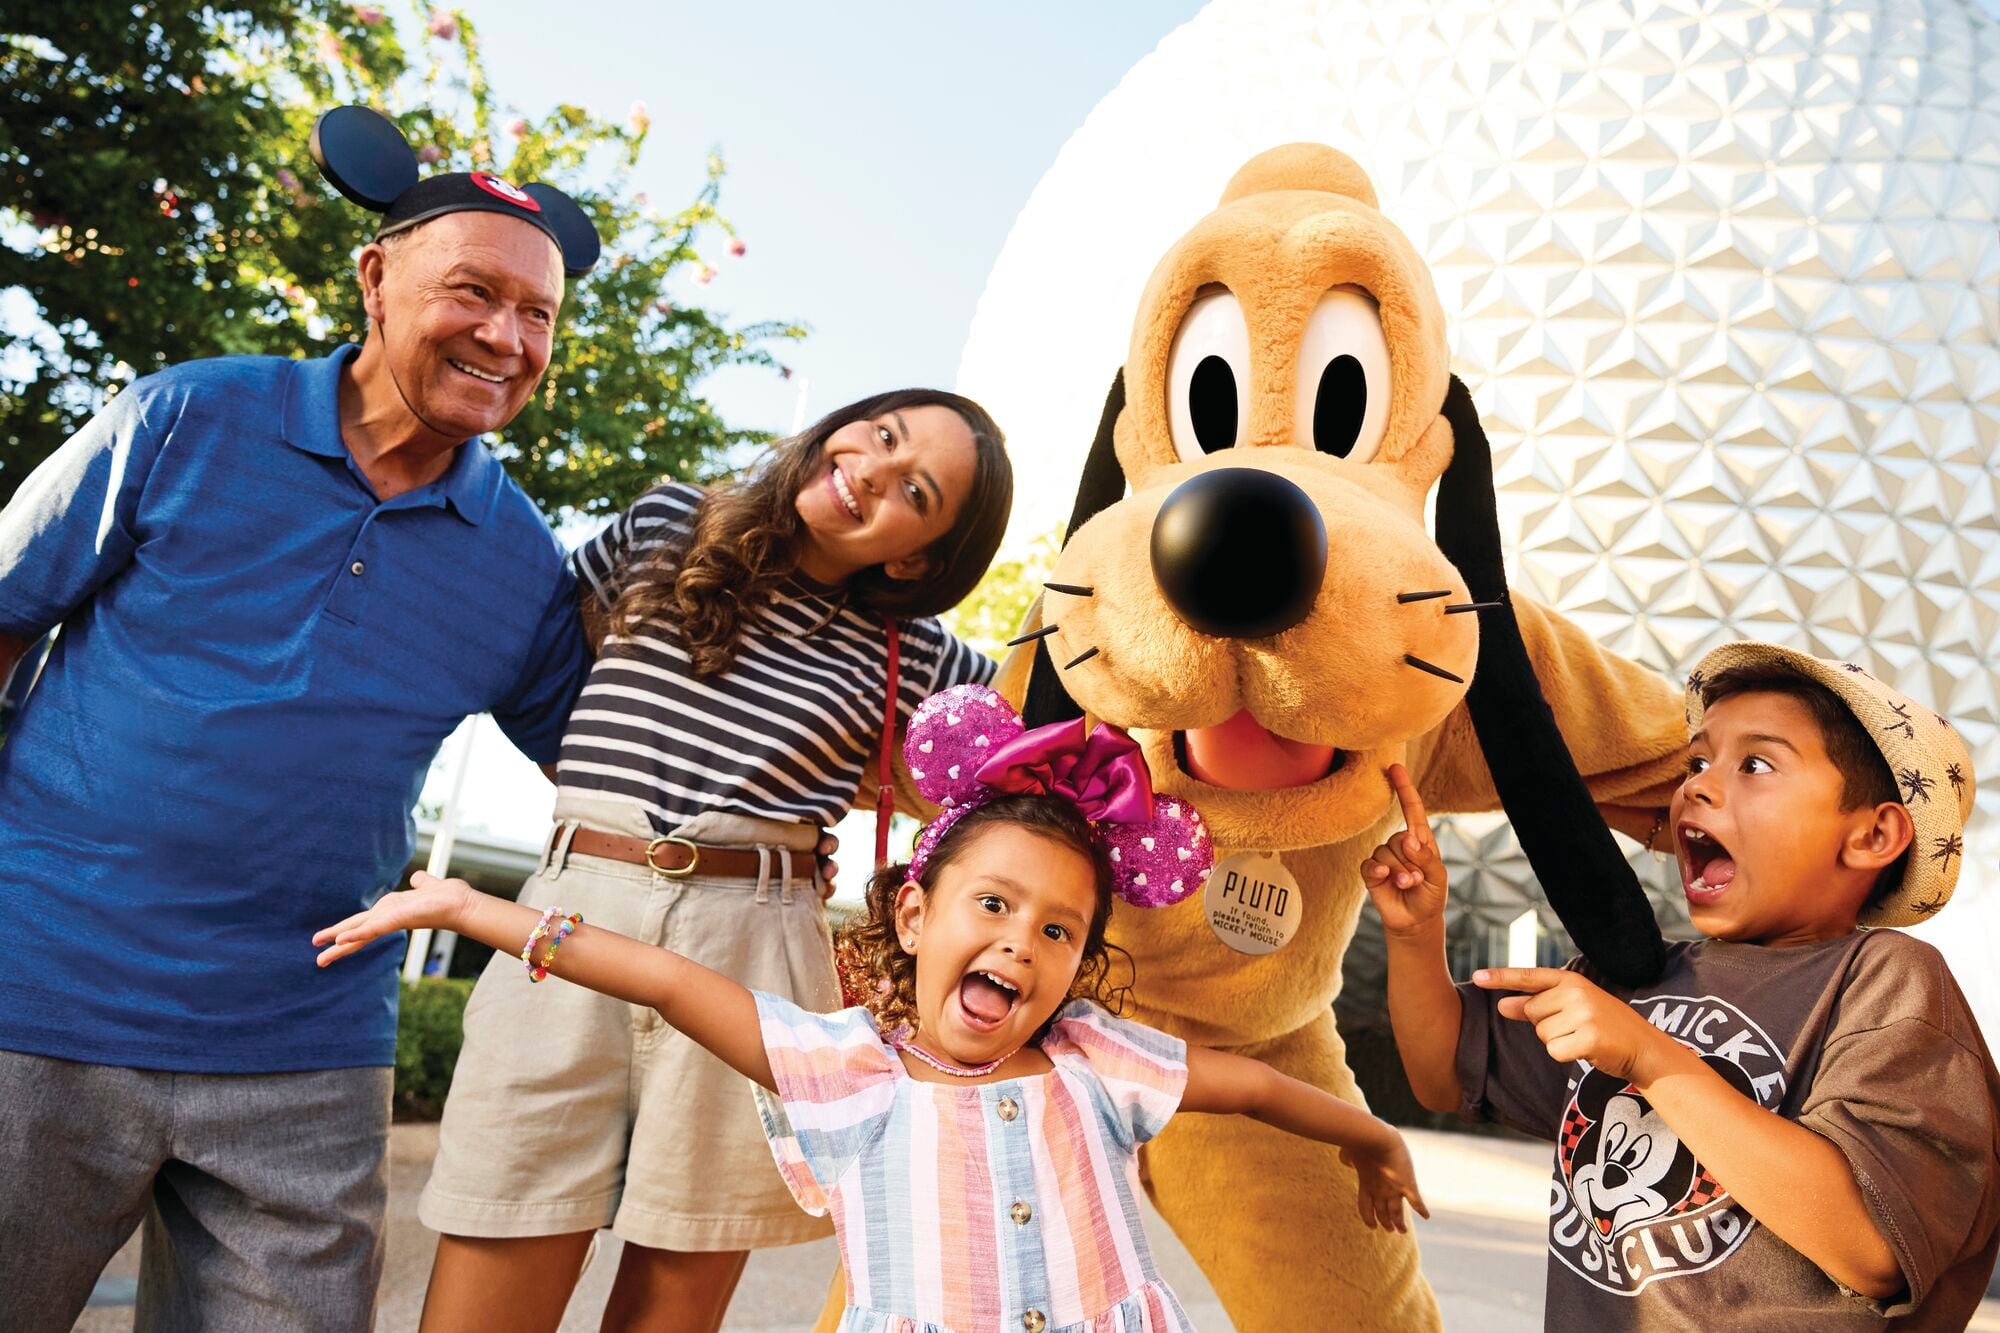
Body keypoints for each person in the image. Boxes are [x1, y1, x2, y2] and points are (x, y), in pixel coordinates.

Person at [0, 105, 604, 1333]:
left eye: (537, 314)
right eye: (473, 292)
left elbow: (601, 768)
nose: (507, 335)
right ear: (375, 278)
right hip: (40, 996)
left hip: (307, 1050)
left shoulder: (524, 561)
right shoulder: (184, 418)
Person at [316, 684, 1429, 1333]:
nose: (1018, 942)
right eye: (991, 904)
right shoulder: (842, 1065)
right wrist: (474, 909)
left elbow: (1253, 1085)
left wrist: (1371, 1137)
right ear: (910, 916)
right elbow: (660, 975)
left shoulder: (1097, 1057)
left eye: (1057, 930)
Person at [412, 396, 1013, 1332]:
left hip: (755, 946)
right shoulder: (664, 523)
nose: (873, 471)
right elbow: (550, 678)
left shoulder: (924, 657)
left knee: (671, 1305)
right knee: (492, 1260)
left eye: (915, 492)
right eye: (884, 436)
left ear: (916, 558)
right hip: (574, 908)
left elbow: (1029, 751)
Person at [1366, 640, 2000, 1329]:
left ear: (1873, 835)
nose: (1696, 783)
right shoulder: (1637, 976)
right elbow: (1444, 1071)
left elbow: (1872, 1245)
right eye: (1698, 761)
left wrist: (1652, 1058)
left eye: (1756, 764)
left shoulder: (1885, 983)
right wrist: (1414, 934)